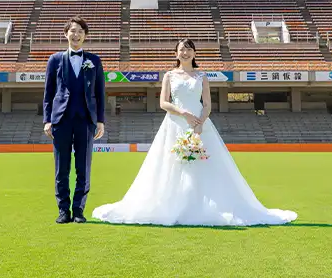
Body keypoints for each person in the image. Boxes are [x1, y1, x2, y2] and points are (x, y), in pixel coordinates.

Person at [92, 38, 297, 227]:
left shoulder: (202, 76)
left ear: (194, 53)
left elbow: (207, 104)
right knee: (170, 165)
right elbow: (164, 102)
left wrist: (200, 123)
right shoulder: (169, 75)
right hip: (174, 123)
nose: (185, 52)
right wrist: (182, 112)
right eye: (181, 49)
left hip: (200, 124)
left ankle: (204, 207)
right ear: (176, 54)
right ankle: (171, 205)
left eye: (189, 49)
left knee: (206, 166)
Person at [43, 15, 106, 224]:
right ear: (66, 34)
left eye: (80, 31)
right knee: (61, 168)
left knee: (83, 167)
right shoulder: (54, 60)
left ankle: (78, 210)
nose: (76, 34)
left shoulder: (94, 61)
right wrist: (47, 119)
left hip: (85, 120)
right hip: (60, 120)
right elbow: (48, 92)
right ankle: (63, 210)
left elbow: (100, 93)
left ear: (85, 35)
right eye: (72, 30)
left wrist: (100, 120)